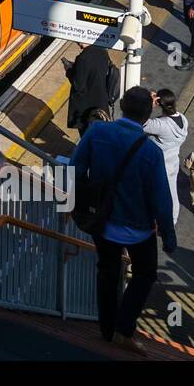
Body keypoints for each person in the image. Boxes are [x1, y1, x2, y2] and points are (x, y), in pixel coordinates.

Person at [71, 86, 177, 355]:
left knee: (107, 271)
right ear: (147, 115)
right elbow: (161, 200)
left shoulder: (97, 132)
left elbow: (75, 168)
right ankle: (124, 328)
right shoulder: (151, 152)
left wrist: (75, 202)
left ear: (122, 107)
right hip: (138, 228)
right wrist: (169, 236)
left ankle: (107, 331)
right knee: (145, 274)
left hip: (101, 221)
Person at [144, 89, 188, 225]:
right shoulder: (183, 119)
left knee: (148, 193)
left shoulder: (161, 125)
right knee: (171, 193)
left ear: (158, 103)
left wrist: (148, 106)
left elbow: (140, 123)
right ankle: (172, 221)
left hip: (157, 166)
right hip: (172, 163)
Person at [65, 43, 120, 134]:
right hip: (101, 103)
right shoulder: (103, 52)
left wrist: (69, 71)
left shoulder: (82, 58)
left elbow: (78, 85)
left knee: (87, 137)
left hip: (85, 109)